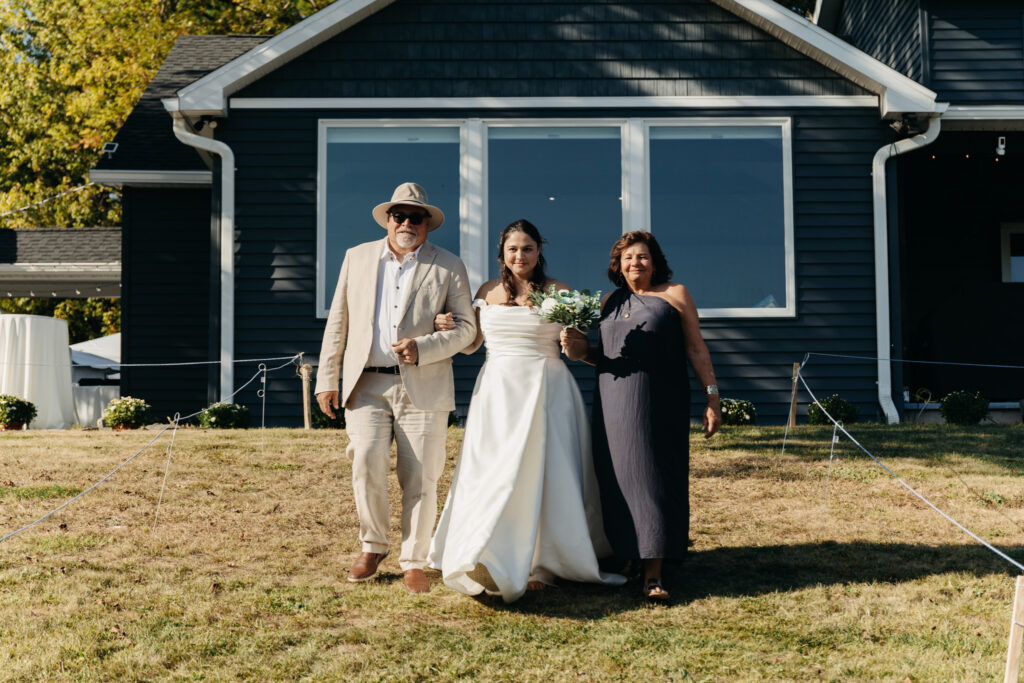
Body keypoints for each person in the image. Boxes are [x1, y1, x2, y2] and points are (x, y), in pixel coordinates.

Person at [428, 219, 625, 603]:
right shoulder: (486, 291)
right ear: (502, 252)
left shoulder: (561, 292)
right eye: (513, 249)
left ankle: (542, 558)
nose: (520, 256)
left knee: (547, 468)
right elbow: (471, 345)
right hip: (499, 390)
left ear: (539, 251)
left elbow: (578, 351)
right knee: (495, 469)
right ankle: (484, 547)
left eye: (528, 248)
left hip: (547, 387)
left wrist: (574, 343)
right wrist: (445, 324)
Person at [315, 182, 477, 594]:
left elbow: (467, 330)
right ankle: (373, 545)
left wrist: (424, 348)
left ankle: (414, 560)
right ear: (388, 219)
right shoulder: (357, 257)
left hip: (424, 385)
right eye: (399, 216)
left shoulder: (449, 265)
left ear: (428, 225)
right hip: (365, 382)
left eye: (415, 217)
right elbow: (339, 321)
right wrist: (326, 378)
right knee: (365, 462)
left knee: (421, 475)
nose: (406, 223)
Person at [563, 230, 721, 603]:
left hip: (659, 400)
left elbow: (696, 349)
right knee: (616, 476)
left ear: (655, 261)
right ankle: (628, 555)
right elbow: (603, 356)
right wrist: (576, 349)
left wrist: (712, 398)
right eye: (628, 257)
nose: (636, 263)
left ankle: (654, 570)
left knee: (653, 477)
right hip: (613, 401)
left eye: (643, 256)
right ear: (617, 265)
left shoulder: (675, 295)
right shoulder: (608, 302)